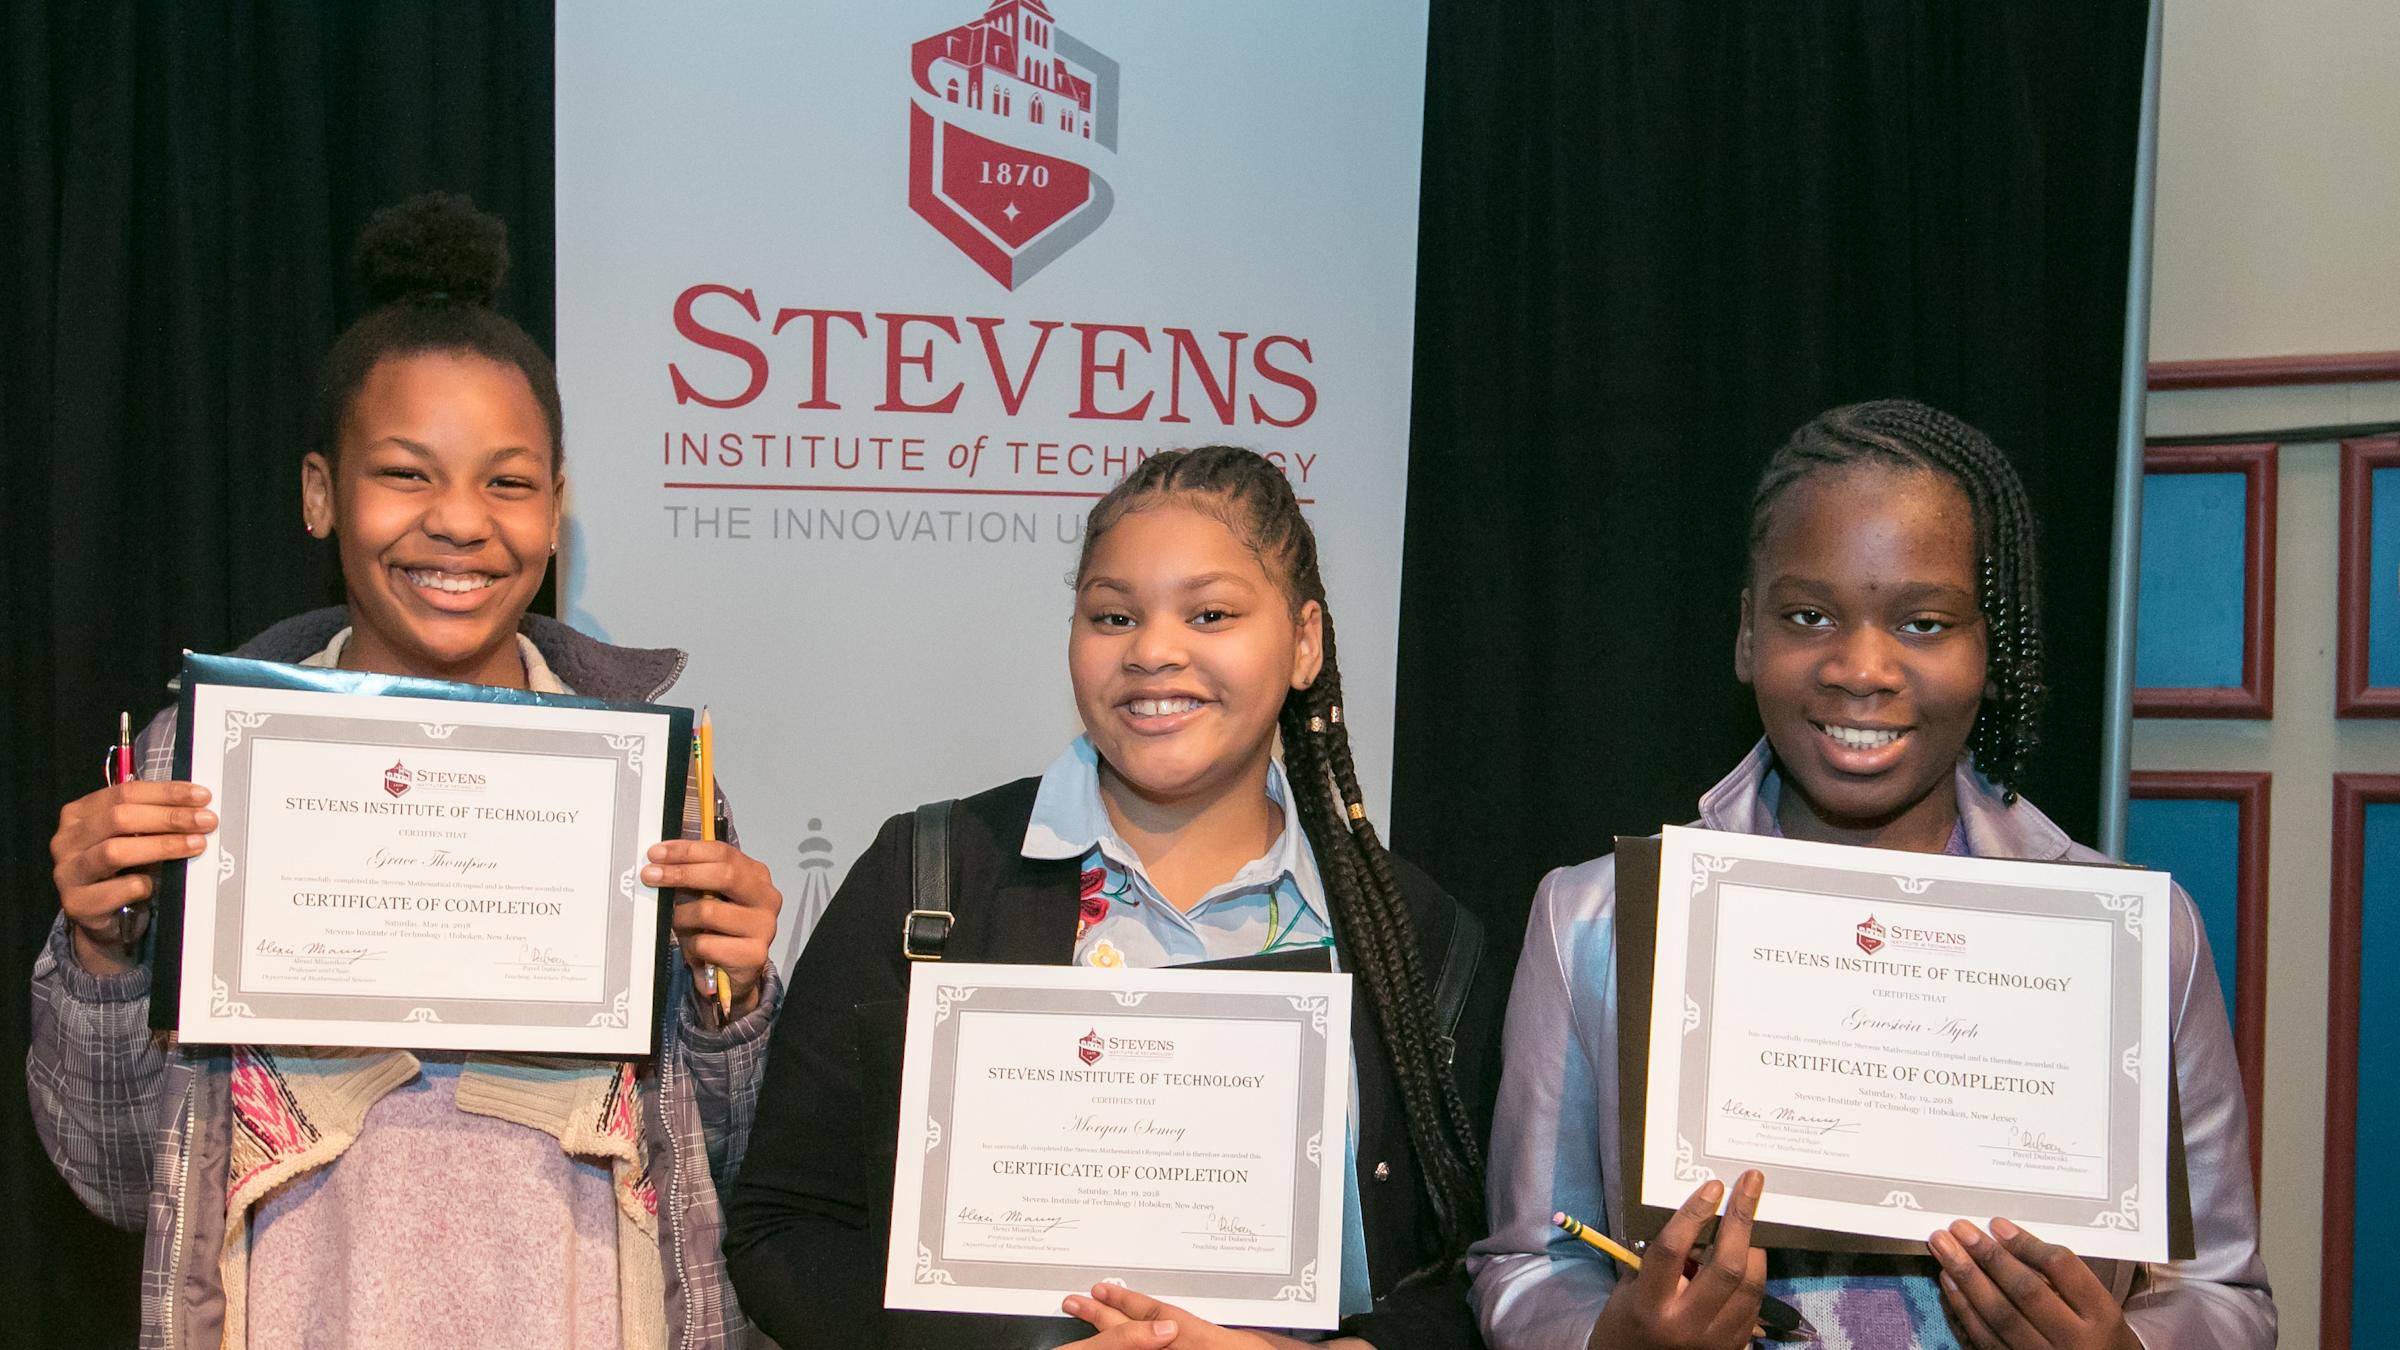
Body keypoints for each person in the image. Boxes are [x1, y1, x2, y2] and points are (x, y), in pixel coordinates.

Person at [29, 193, 786, 1350]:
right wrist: (100, 954)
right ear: (321, 492)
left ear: (558, 506)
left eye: (508, 481)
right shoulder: (200, 769)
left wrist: (734, 1003)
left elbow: (727, 1168)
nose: (461, 523)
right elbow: (118, 1174)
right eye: (406, 474)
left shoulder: (655, 778)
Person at [1467, 400, 2275, 1349]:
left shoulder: (2133, 942)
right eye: (1809, 616)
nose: (1862, 668)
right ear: (1745, 634)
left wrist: (2125, 1347)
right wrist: (1613, 1342)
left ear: (1990, 649)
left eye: (1925, 624)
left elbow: (2226, 1295)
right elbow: (1526, 1263)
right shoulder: (1595, 924)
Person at [726, 446, 1504, 1348]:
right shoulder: (926, 879)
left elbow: (1476, 1269)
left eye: (1210, 612)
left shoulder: (1414, 934)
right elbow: (784, 1226)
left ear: (1304, 643)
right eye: (1113, 614)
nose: (1153, 650)